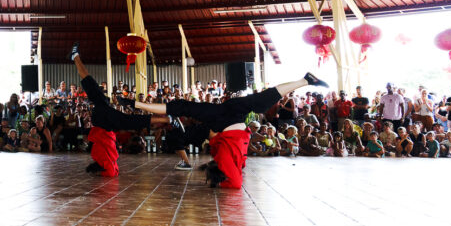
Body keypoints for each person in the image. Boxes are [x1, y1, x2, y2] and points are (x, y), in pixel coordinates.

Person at [129, 72, 329, 187]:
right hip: (229, 116)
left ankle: (305, 80)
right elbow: (170, 109)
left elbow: (235, 182)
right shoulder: (219, 144)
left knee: (267, 96)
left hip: (232, 121)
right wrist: (138, 105)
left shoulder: (221, 147)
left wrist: (220, 181)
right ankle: (305, 80)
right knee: (268, 95)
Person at [69, 44, 168, 176]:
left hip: (103, 120)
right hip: (105, 122)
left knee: (131, 120)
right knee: (131, 119)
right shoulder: (108, 160)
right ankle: (75, 57)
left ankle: (75, 57)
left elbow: (110, 171)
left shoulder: (106, 163)